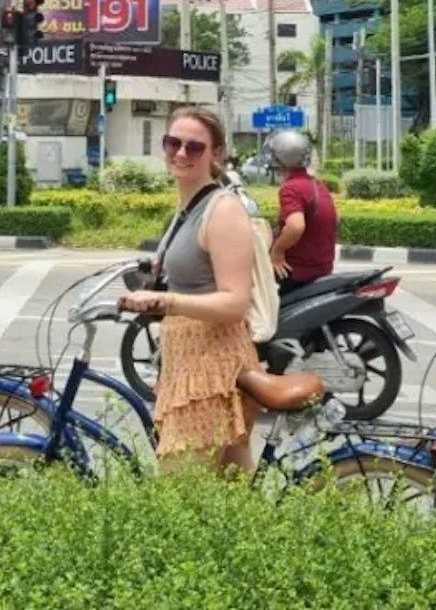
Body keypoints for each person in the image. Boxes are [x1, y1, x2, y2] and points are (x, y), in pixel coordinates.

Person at [118, 106, 260, 472]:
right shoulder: (188, 206)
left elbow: (234, 302)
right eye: (172, 143)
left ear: (216, 154)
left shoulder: (222, 210)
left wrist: (166, 301)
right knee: (226, 501)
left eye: (194, 148)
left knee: (179, 494)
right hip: (187, 362)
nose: (180, 154)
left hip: (212, 369)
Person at [265, 130, 337, 287]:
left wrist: (277, 252)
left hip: (297, 272)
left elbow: (295, 226)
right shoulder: (317, 185)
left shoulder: (291, 188)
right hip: (321, 269)